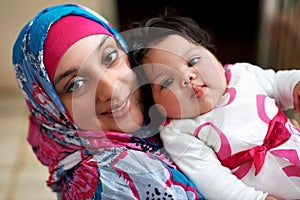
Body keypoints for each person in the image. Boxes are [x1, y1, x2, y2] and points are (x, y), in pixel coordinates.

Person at [12, 4, 204, 199]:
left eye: (110, 57)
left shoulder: (160, 111)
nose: (111, 89)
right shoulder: (111, 178)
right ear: (51, 108)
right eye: (76, 84)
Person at [127, 11, 300, 200]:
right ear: (155, 105)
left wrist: (295, 84)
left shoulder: (241, 75)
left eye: (192, 61)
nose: (187, 77)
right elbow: (213, 181)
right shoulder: (179, 132)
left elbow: (278, 82)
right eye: (167, 81)